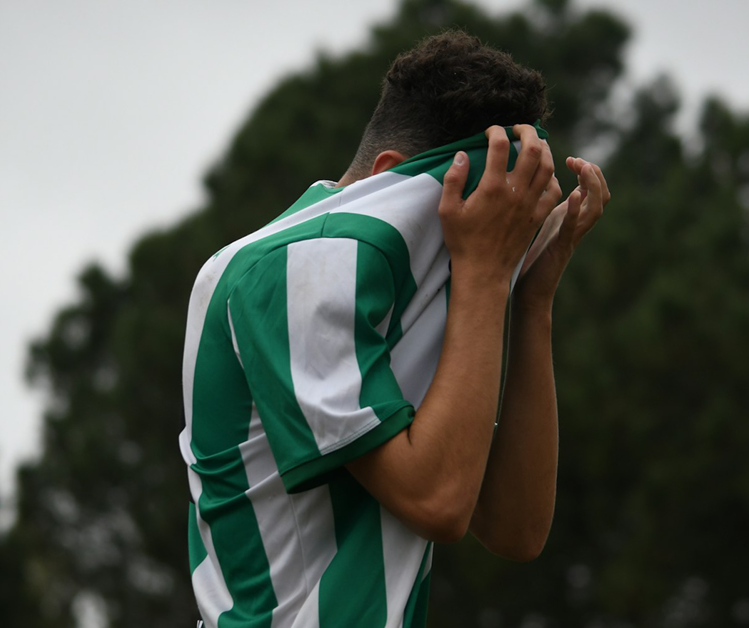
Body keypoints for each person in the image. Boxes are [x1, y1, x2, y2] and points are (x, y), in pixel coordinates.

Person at [180, 31, 610, 628]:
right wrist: (486, 274)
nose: (488, 232)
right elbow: (438, 502)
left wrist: (530, 298)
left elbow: (514, 527)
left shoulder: (417, 288)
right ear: (388, 181)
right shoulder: (292, 269)